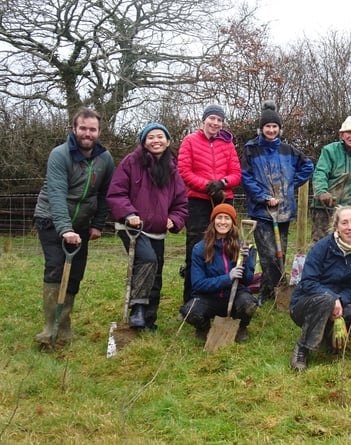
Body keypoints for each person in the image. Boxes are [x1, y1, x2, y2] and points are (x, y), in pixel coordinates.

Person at [33, 107, 115, 348]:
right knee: (56, 268)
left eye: (92, 129)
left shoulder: (105, 159)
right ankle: (50, 327)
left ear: (99, 132)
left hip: (81, 223)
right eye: (83, 128)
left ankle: (64, 325)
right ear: (74, 129)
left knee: (75, 273)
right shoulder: (60, 155)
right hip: (51, 218)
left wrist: (98, 224)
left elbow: (105, 194)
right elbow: (57, 195)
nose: (87, 133)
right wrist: (65, 229)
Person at [106, 123, 188, 331]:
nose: (156, 141)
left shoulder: (171, 168)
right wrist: (129, 213)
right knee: (147, 260)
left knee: (156, 271)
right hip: (133, 228)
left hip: (157, 230)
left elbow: (181, 203)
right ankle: (138, 309)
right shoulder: (131, 162)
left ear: (168, 141)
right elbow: (116, 192)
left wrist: (175, 219)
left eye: (160, 137)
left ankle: (149, 320)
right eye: (150, 137)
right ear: (144, 142)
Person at [240, 100, 314, 304]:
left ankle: (273, 291)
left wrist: (290, 186)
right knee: (269, 255)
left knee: (280, 253)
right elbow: (245, 177)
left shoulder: (288, 150)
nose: (271, 130)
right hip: (261, 211)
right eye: (267, 126)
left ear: (279, 129)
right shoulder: (251, 149)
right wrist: (263, 197)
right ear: (261, 128)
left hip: (283, 211)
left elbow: (308, 166)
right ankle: (269, 290)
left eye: (274, 127)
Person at [289, 206, 351, 371]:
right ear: (337, 226)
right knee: (325, 300)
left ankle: (327, 336)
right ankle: (302, 348)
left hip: (335, 302)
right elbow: (308, 282)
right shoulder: (323, 247)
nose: (349, 227)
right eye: (344, 223)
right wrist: (333, 299)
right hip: (304, 304)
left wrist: (339, 301)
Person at [178, 104, 241, 304]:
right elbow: (184, 171)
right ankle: (191, 298)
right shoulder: (189, 141)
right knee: (196, 247)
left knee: (228, 245)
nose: (215, 123)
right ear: (204, 119)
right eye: (212, 118)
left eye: (219, 120)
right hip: (198, 201)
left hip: (223, 199)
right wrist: (207, 186)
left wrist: (221, 183)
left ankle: (230, 295)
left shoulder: (228, 144)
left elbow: (236, 174)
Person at [179, 203, 258, 343]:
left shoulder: (244, 247)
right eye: (219, 217)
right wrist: (228, 278)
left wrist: (244, 262)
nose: (222, 222)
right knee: (190, 311)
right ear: (213, 221)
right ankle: (204, 328)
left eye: (227, 218)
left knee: (248, 304)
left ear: (233, 223)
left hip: (235, 297)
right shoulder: (200, 249)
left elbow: (249, 280)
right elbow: (198, 284)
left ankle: (241, 327)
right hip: (210, 298)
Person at [310, 116, 351, 243]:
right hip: (326, 207)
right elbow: (320, 172)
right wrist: (321, 191)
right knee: (322, 243)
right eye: (349, 132)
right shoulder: (330, 150)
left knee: (349, 244)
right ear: (341, 135)